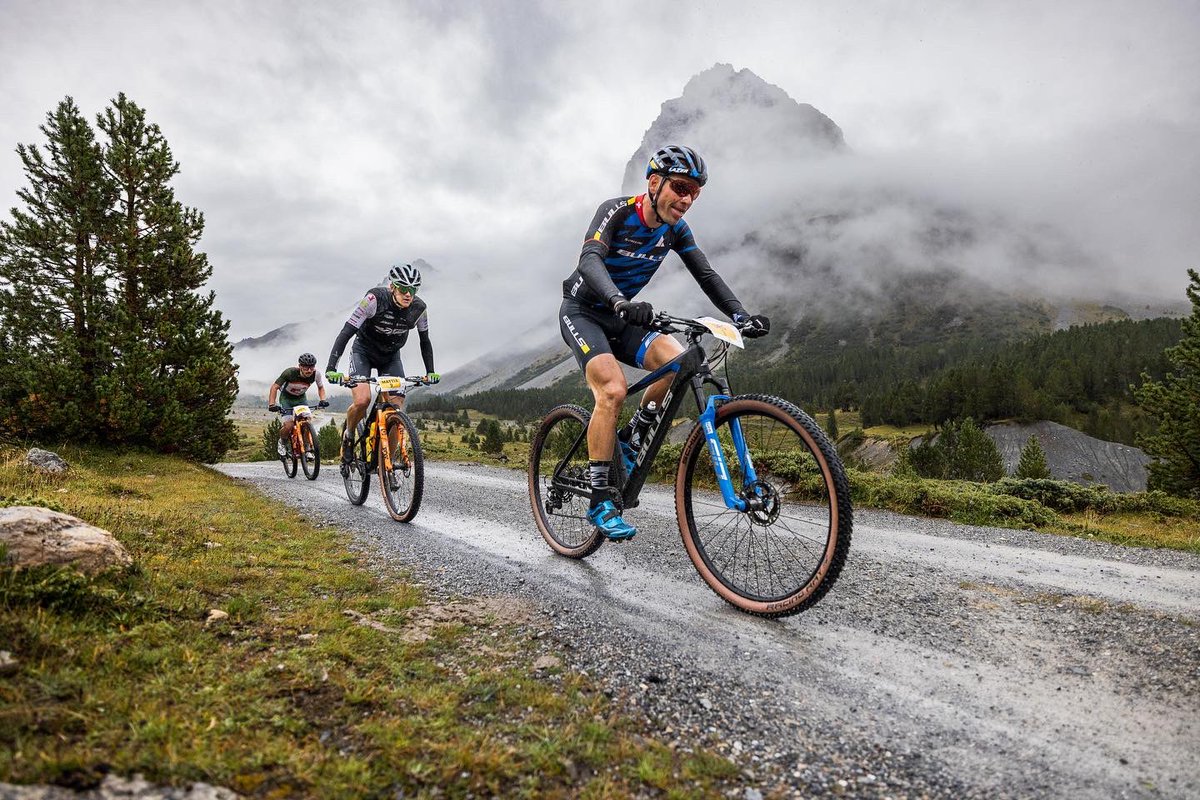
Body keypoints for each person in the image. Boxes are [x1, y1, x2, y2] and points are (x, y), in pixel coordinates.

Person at [559, 144, 770, 540]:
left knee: (676, 362)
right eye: (680, 188)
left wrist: (740, 315)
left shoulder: (675, 230)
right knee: (612, 389)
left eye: (695, 193)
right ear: (654, 183)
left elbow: (706, 274)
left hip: (624, 316)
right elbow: (590, 260)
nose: (687, 200)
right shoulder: (617, 211)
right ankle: (600, 500)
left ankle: (631, 437)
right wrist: (619, 300)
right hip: (584, 312)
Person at [324, 263, 440, 464]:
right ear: (392, 287)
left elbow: (425, 341)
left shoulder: (420, 309)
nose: (408, 294)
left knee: (395, 408)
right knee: (362, 401)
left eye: (413, 290)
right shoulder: (373, 300)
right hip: (363, 352)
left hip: (391, 357)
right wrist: (331, 368)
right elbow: (346, 332)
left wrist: (430, 371)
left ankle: (387, 463)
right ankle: (349, 435)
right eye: (403, 288)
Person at [267, 352, 330, 454]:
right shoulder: (289, 373)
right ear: (300, 366)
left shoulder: (316, 374)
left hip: (301, 399)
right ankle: (282, 442)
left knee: (307, 421)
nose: (309, 370)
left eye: (311, 367)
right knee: (289, 425)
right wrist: (272, 404)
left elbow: (321, 387)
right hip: (286, 399)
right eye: (306, 367)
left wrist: (323, 400)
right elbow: (275, 387)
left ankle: (307, 447)